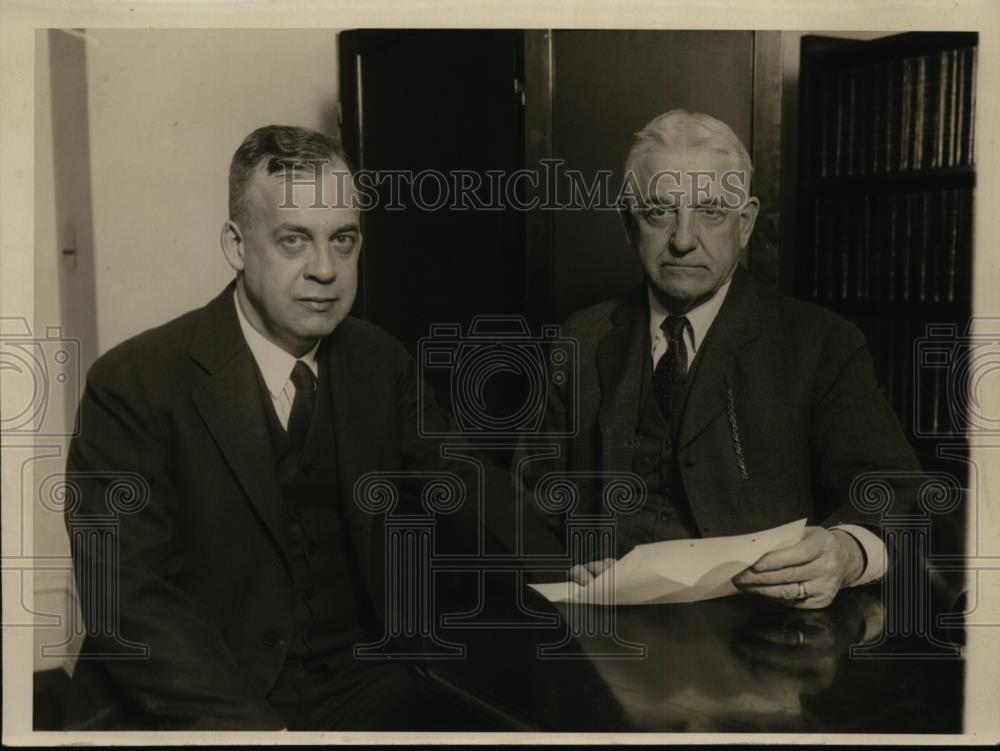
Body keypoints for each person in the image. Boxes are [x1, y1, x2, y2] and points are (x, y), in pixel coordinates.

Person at [62, 125, 525, 730]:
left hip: (364, 681)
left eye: (344, 239)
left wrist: (587, 563)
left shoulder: (378, 360)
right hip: (207, 695)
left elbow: (465, 485)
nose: (326, 270)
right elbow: (128, 599)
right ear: (236, 244)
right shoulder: (132, 382)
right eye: (293, 240)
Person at [518, 110, 922, 609]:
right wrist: (570, 569)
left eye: (710, 212)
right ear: (628, 225)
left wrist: (846, 552)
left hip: (761, 632)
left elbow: (896, 492)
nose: (684, 240)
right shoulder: (579, 339)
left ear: (745, 223)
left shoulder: (821, 342)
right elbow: (529, 507)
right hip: (607, 631)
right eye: (658, 212)